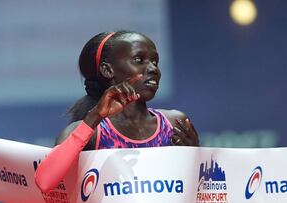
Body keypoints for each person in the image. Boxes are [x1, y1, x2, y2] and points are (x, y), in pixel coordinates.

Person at [35, 30, 199, 192]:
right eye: (139, 60)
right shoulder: (91, 132)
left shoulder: (174, 123)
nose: (153, 69)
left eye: (155, 62)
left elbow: (199, 190)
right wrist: (94, 117)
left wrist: (195, 159)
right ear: (108, 70)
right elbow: (44, 181)